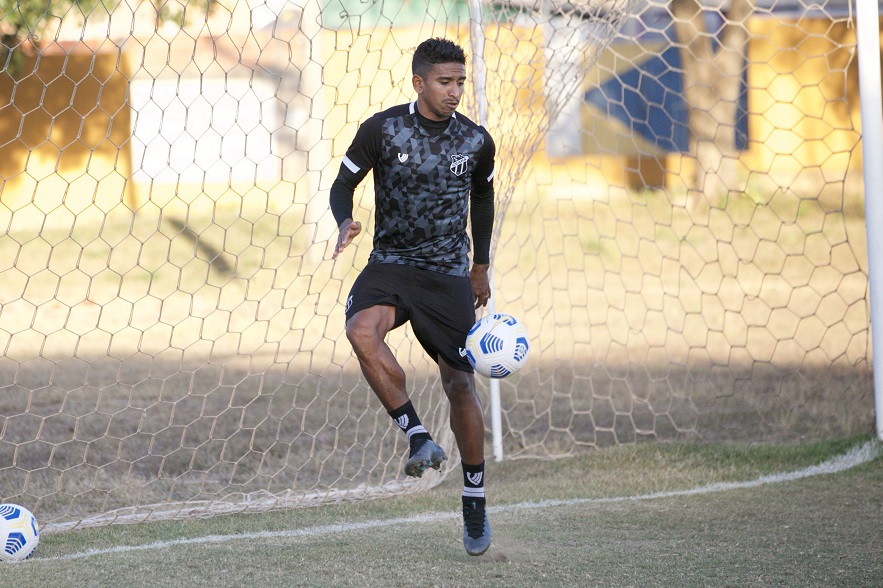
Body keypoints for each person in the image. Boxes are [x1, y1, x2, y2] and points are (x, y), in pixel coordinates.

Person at [329, 37, 496, 557]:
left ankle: (474, 495)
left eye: (460, 83)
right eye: (445, 83)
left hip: (447, 272)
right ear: (419, 83)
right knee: (361, 330)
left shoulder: (476, 141)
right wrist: (344, 220)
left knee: (459, 385)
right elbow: (343, 184)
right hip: (393, 264)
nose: (454, 92)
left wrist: (481, 265)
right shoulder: (383, 129)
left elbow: (484, 196)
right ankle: (417, 436)